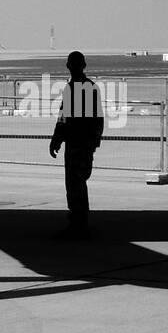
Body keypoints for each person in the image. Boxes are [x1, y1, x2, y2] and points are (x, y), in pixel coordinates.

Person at [48, 51, 104, 239]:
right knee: (75, 184)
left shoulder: (80, 89)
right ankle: (78, 223)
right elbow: (68, 118)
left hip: (78, 145)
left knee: (76, 184)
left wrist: (58, 138)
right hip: (77, 144)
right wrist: (57, 138)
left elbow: (87, 120)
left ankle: (79, 225)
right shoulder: (81, 88)